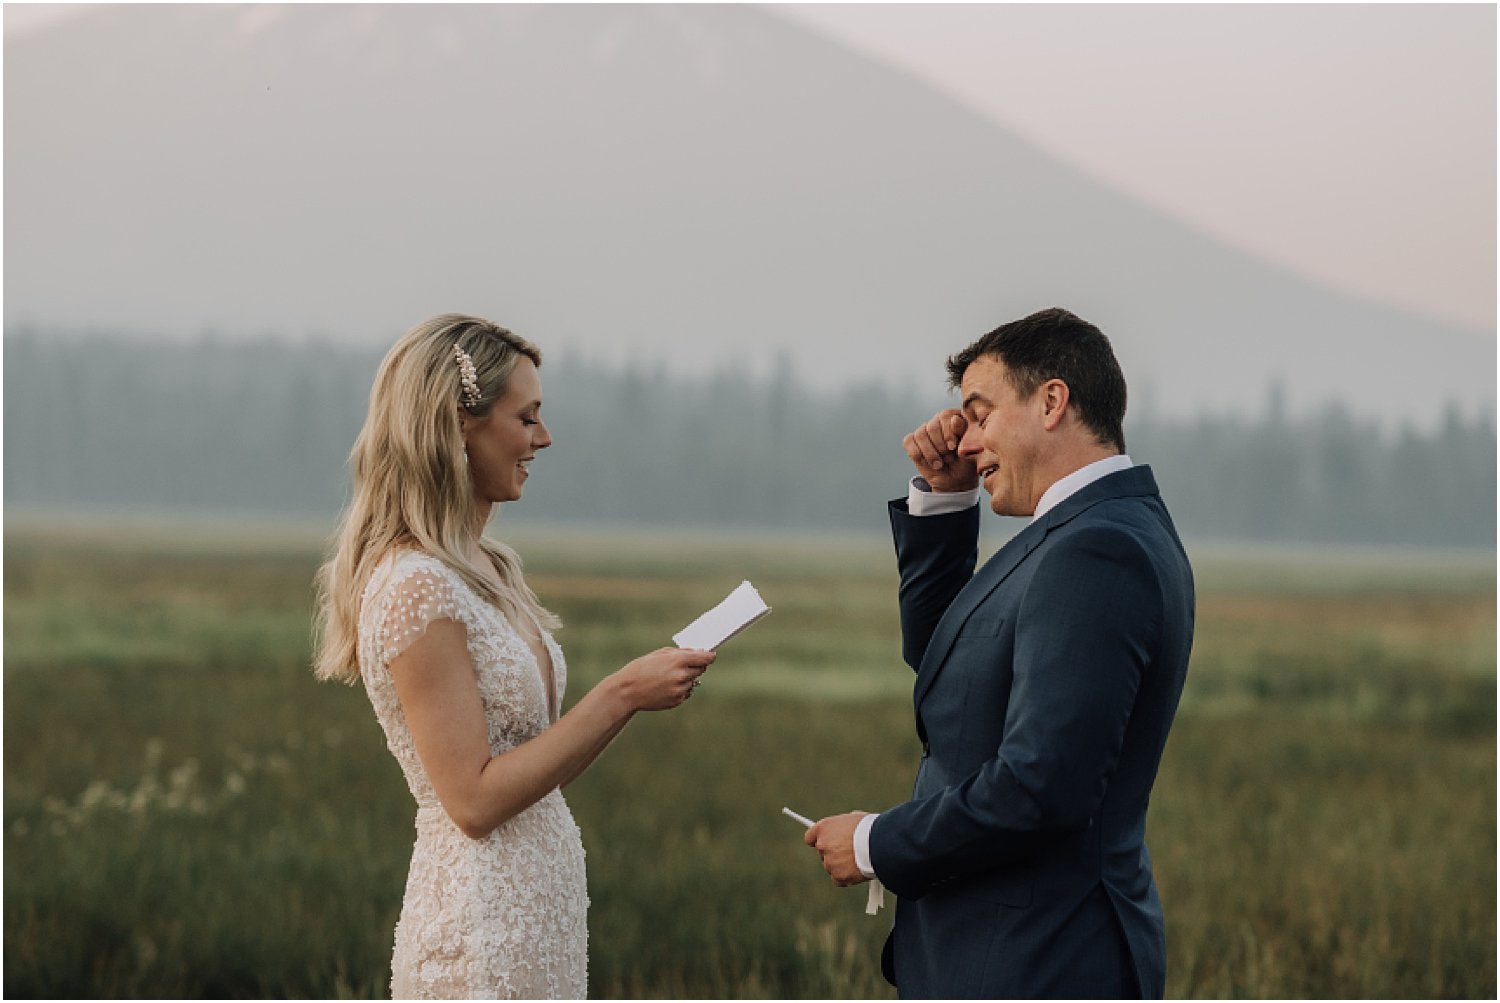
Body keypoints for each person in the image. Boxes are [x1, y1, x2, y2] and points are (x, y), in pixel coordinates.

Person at [313, 313, 715, 999]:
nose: (544, 437)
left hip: (538, 915)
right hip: (479, 921)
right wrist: (619, 693)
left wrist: (632, 701)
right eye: (526, 417)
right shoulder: (417, 586)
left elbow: (538, 761)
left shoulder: (488, 566)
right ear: (458, 424)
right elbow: (471, 799)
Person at [805, 307, 1194, 998]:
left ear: (1052, 400)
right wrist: (948, 505)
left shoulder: (1096, 550)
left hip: (1039, 961)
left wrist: (875, 843)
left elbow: (1042, 785)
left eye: (980, 414)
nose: (966, 439)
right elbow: (948, 666)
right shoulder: (1083, 530)